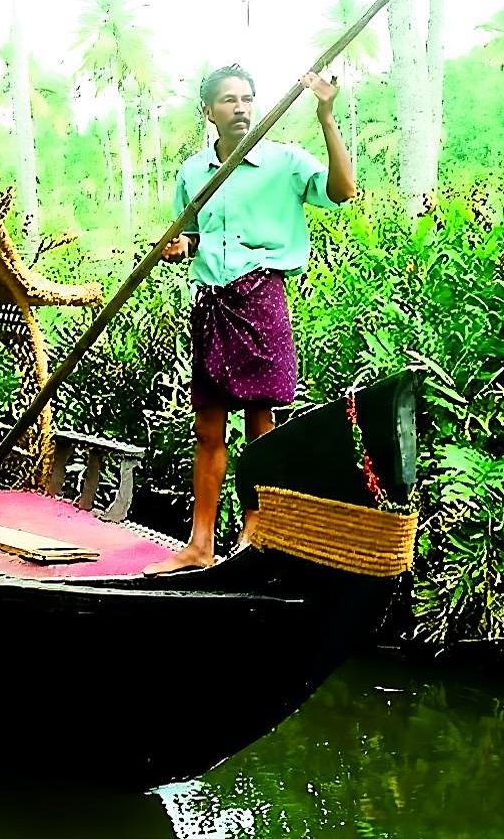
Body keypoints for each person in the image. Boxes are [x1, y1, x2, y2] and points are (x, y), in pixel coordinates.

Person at [143, 64, 356, 576]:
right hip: (213, 302)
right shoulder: (194, 173)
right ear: (208, 112)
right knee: (207, 428)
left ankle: (255, 533)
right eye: (228, 100)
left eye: (247, 99)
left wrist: (326, 116)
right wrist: (180, 247)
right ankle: (199, 543)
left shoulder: (284, 162)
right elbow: (192, 236)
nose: (240, 108)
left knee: (262, 425)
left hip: (262, 297)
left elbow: (343, 190)